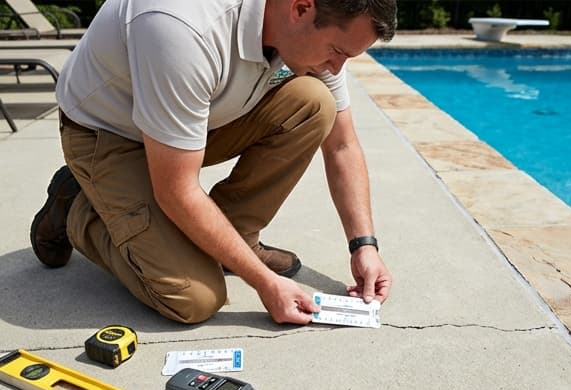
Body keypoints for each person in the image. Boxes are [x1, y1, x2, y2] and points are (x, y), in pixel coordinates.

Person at [29, 0, 396, 325]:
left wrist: (364, 246)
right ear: (301, 8)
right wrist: (264, 283)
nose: (336, 68)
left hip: (193, 122)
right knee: (193, 298)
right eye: (336, 51)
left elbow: (342, 146)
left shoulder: (308, 24)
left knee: (315, 105)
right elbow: (176, 190)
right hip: (109, 135)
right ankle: (78, 207)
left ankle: (234, 240)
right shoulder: (180, 26)